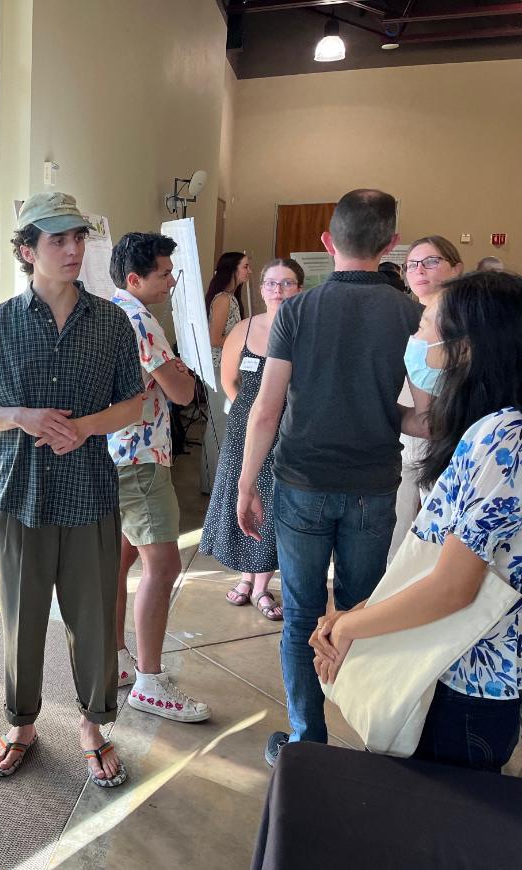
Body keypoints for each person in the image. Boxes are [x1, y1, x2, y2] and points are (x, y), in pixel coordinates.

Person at [0, 192, 145, 788]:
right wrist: (22, 417)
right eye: (58, 240)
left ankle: (93, 725)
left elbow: (135, 403)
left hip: (90, 491)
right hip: (20, 496)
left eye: (78, 239)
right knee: (22, 618)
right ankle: (22, 725)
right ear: (26, 250)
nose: (72, 250)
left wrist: (83, 427)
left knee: (93, 618)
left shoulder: (112, 320)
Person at [236, 189, 423, 767]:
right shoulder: (410, 313)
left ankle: (307, 741)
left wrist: (246, 484)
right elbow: (422, 413)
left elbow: (267, 410)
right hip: (372, 485)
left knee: (300, 614)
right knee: (362, 611)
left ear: (326, 243)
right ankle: (369, 737)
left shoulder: (296, 311)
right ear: (391, 244)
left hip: (301, 483)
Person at [314, 270, 522, 772]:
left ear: (465, 348)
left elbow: (453, 589)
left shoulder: (504, 437)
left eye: (426, 323)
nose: (416, 338)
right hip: (450, 671)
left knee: (425, 827)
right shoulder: (491, 427)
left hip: (462, 684)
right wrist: (354, 614)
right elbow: (435, 559)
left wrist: (349, 629)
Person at [107, 232, 209, 722]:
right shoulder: (139, 319)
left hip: (116, 452)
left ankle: (118, 661)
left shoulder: (105, 308)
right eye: (165, 274)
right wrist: (182, 372)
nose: (171, 282)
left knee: (121, 560)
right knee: (163, 566)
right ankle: (148, 679)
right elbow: (183, 392)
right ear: (135, 279)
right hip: (141, 456)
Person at [201, 259, 305, 622]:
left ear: (299, 289)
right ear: (261, 289)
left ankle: (262, 584)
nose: (278, 290)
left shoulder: (306, 331)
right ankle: (245, 576)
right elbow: (230, 381)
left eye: (287, 283)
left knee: (275, 501)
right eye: (271, 283)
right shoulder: (243, 329)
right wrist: (250, 412)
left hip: (289, 429)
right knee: (241, 498)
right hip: (244, 427)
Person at [391, 236, 463, 561]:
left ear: (456, 268)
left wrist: (378, 411)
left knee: (445, 538)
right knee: (400, 528)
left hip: (454, 442)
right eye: (412, 264)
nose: (420, 270)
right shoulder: (413, 316)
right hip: (413, 434)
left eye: (431, 261)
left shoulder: (465, 321)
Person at [201, 251, 251, 494]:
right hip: (220, 366)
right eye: (245, 267)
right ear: (233, 269)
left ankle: (212, 482)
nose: (249, 271)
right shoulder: (224, 299)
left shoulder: (230, 298)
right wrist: (242, 339)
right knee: (220, 423)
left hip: (226, 365)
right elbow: (214, 338)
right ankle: (216, 485)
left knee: (220, 423)